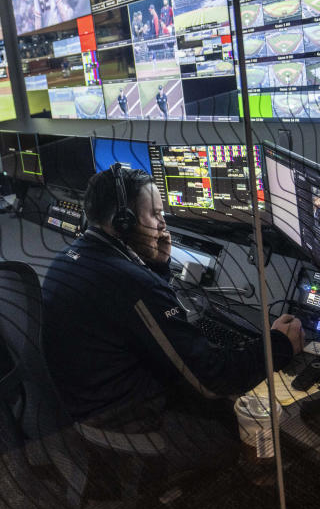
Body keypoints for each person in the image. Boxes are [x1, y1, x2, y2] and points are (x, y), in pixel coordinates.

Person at [42, 166, 303, 473]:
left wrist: (158, 268)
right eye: (154, 214)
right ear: (123, 223)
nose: (164, 223)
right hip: (121, 416)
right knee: (230, 407)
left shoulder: (72, 256)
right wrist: (279, 345)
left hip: (84, 401)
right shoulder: (129, 283)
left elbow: (140, 321)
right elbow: (211, 379)